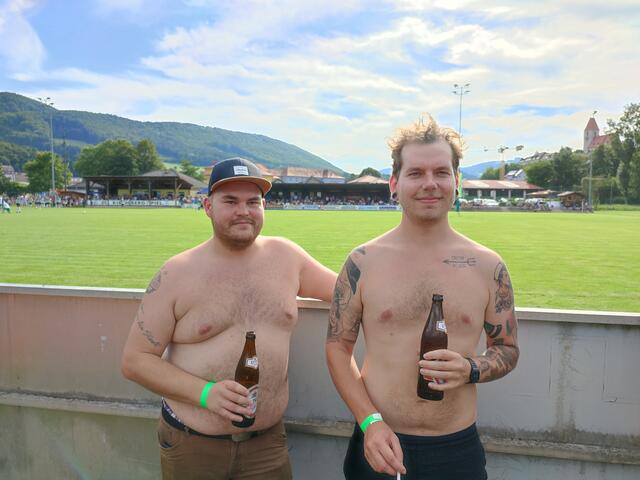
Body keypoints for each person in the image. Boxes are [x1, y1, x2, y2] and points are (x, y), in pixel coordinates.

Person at [325, 115, 519, 480]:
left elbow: (507, 349)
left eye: (441, 172)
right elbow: (337, 348)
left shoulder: (488, 266)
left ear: (456, 181)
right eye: (415, 173)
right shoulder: (362, 262)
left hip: (456, 450)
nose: (430, 183)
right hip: (378, 443)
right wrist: (370, 422)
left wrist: (471, 368)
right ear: (394, 183)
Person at [121, 158, 337, 480]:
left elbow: (348, 292)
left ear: (264, 206)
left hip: (266, 446)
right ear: (208, 206)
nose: (243, 211)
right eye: (231, 201)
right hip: (193, 447)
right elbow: (135, 361)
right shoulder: (176, 274)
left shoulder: (287, 258)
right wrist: (205, 393)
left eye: (253, 202)